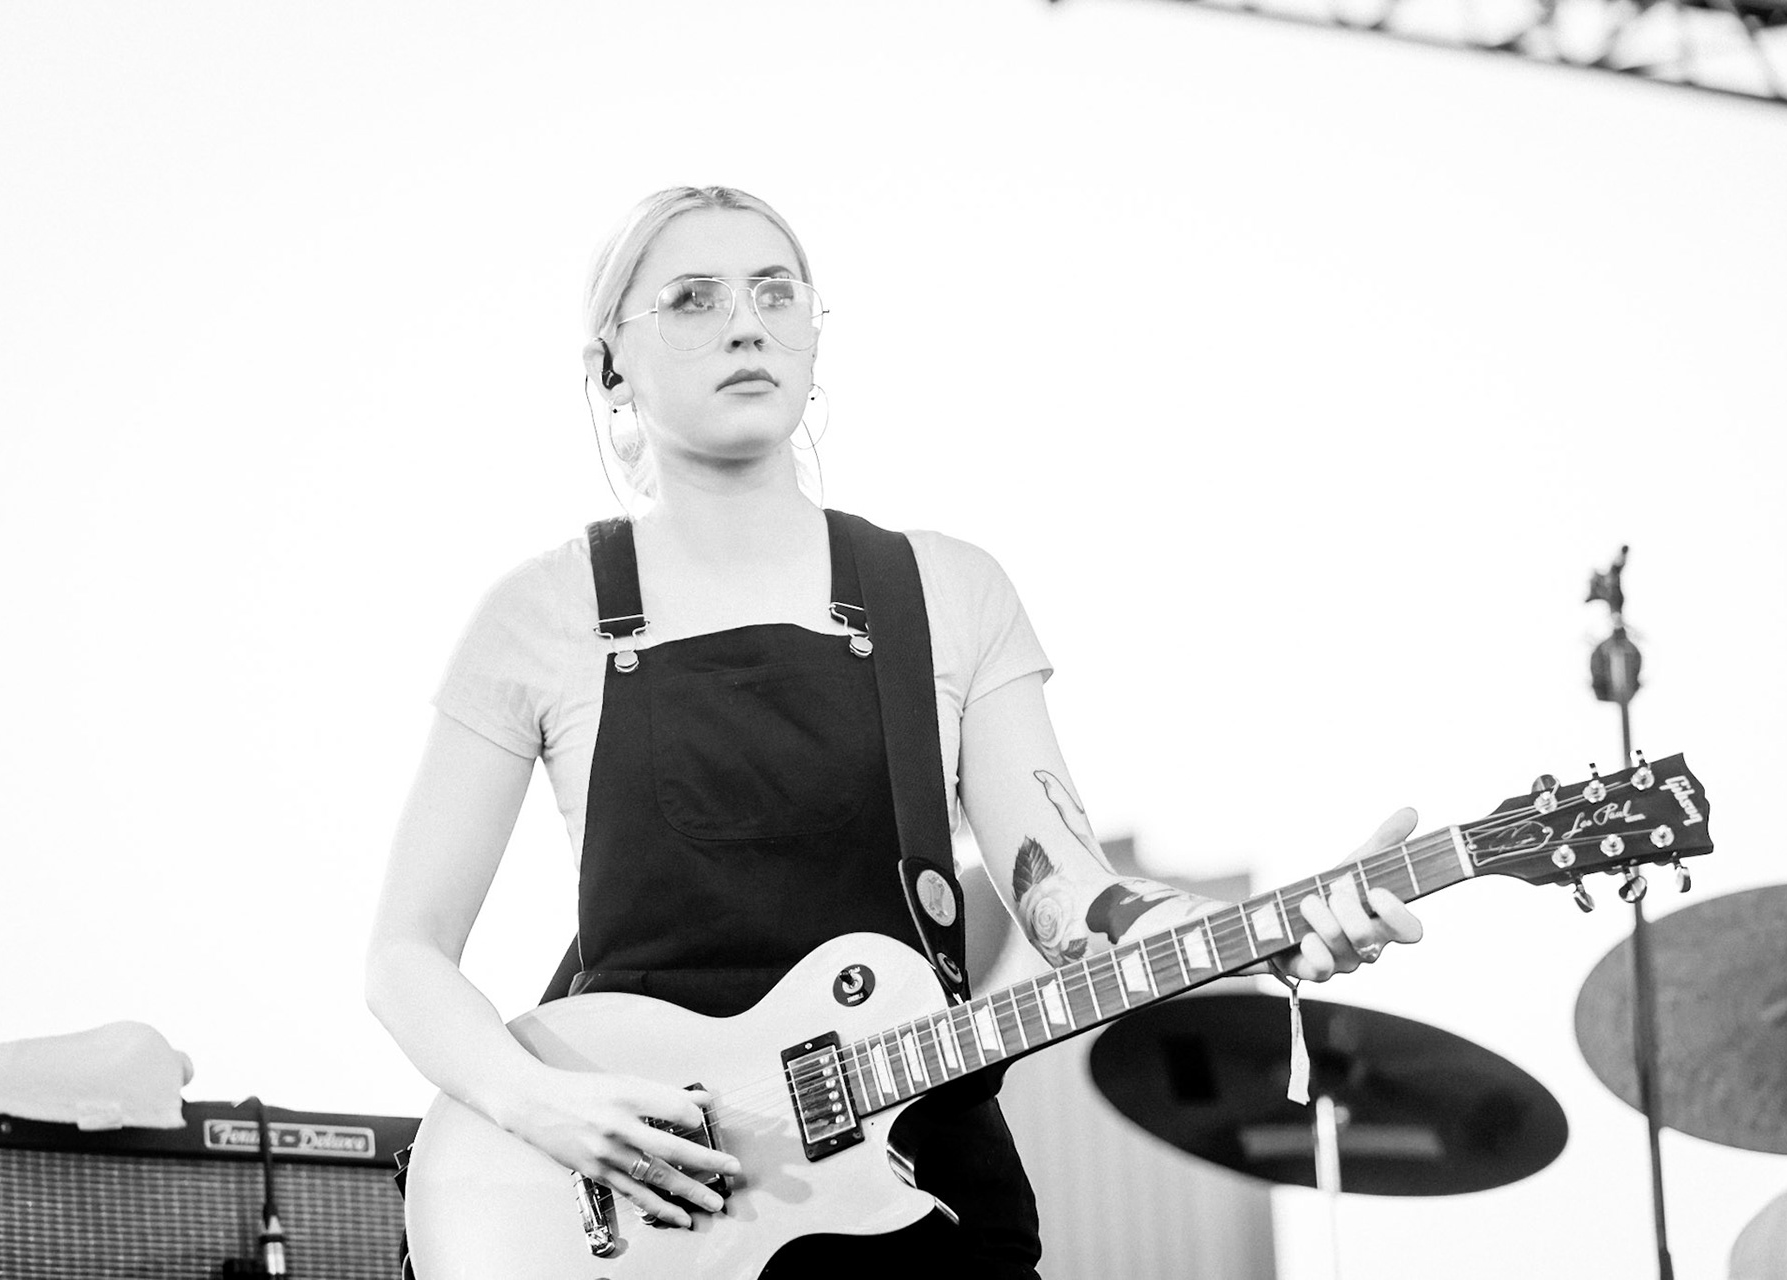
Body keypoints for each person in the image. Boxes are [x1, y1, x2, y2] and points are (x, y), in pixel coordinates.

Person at [363, 184, 1424, 1278]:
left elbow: (1071, 902)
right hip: (651, 1208)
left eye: (777, 291)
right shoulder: (539, 614)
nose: (746, 322)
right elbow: (405, 953)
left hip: (920, 1189)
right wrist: (539, 1101)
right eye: (691, 298)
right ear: (609, 367)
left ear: (816, 335)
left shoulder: (946, 591)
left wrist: (1268, 929)